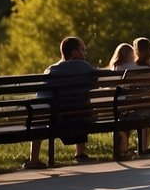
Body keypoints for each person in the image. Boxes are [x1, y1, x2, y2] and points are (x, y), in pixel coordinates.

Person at [23, 37, 97, 169]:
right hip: (84, 118)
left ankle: (34, 159)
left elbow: (42, 96)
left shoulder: (52, 70)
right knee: (82, 103)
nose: (85, 53)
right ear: (74, 53)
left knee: (39, 115)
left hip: (59, 119)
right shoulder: (86, 68)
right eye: (83, 50)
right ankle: (80, 153)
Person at [107, 43, 136, 158]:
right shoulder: (134, 66)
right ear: (130, 55)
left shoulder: (115, 68)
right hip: (130, 104)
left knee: (121, 121)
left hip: (117, 104)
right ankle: (124, 150)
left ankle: (121, 149)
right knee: (126, 121)